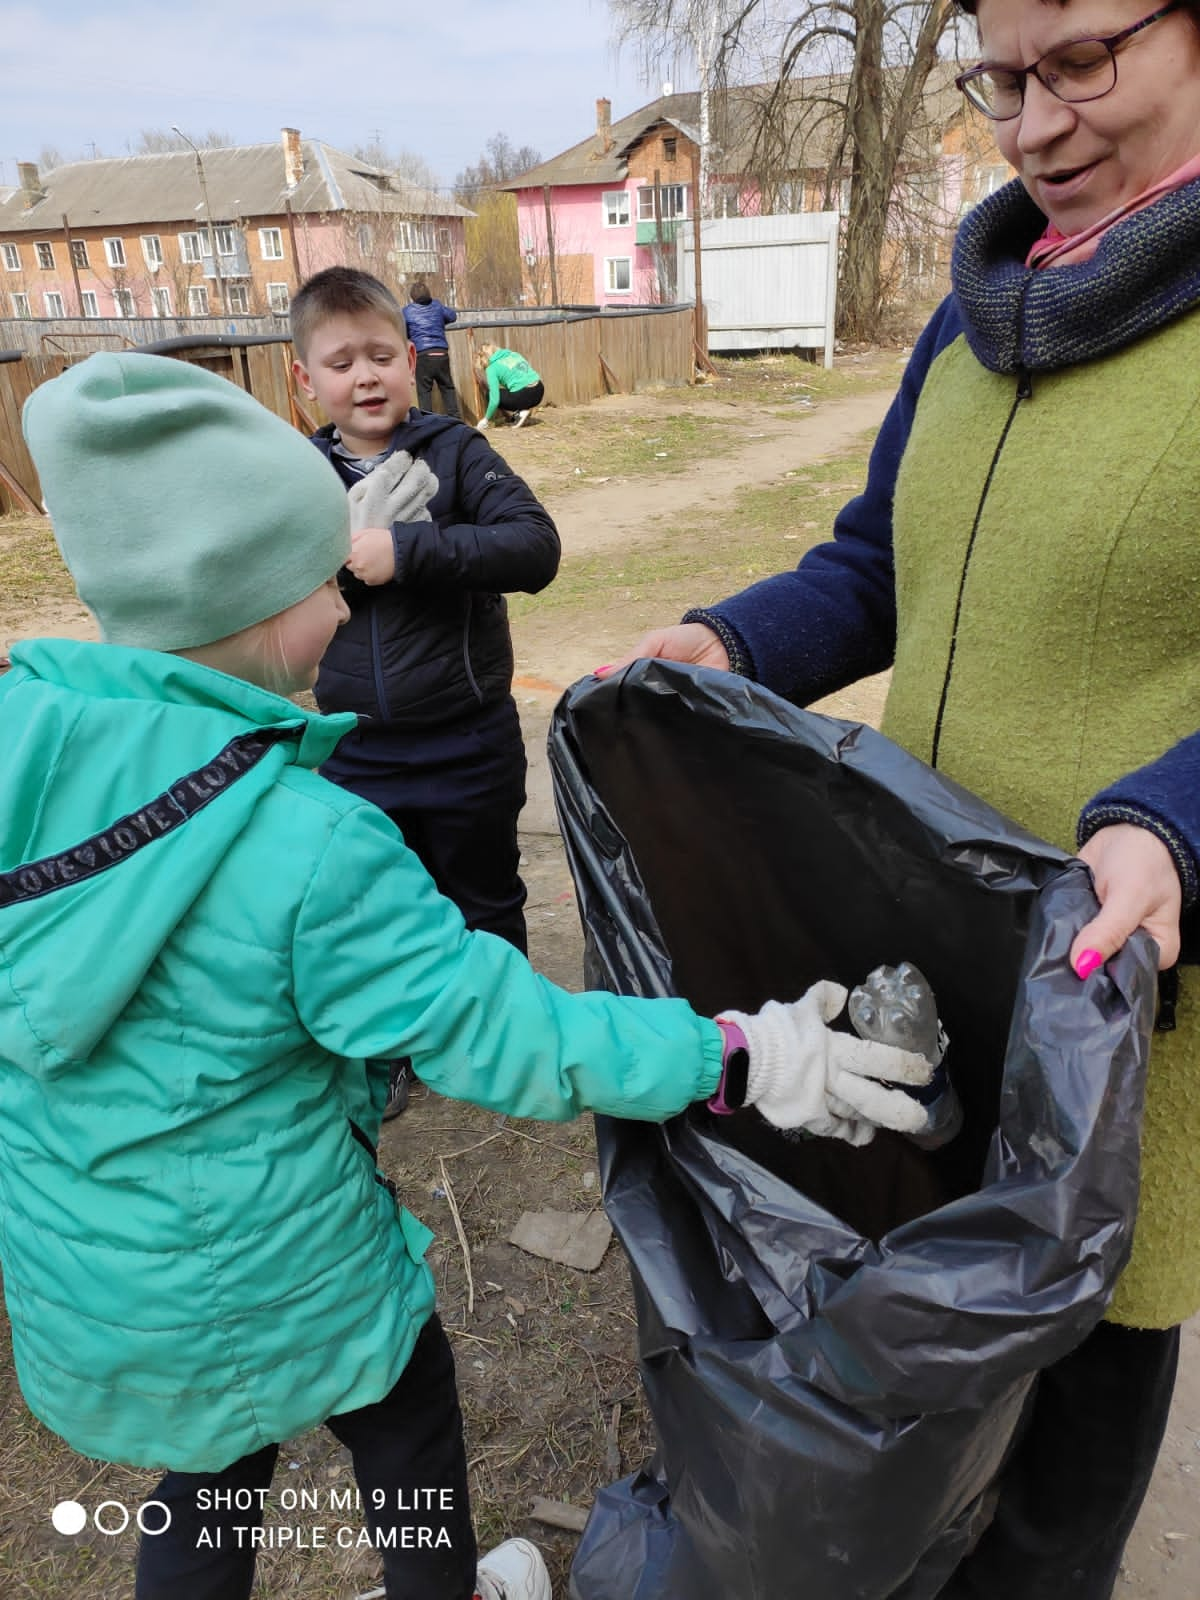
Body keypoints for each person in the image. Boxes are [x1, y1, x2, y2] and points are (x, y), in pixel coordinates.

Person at [3, 351, 930, 1600]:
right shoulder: (310, 847)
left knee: (208, 1478)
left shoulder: (25, 751)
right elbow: (513, 1035)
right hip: (286, 1274)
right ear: (268, 605)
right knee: (407, 1426)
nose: (350, 601)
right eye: (328, 580)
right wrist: (741, 1053)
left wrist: (316, 544)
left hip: (102, 1285)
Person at [606, 2, 1200, 1595]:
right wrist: (727, 642)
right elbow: (877, 567)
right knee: (928, 1363)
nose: (1032, 125)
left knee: (1070, 1434)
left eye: (1082, 61)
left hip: (1122, 988)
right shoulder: (981, 310)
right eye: (1002, 78)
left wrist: (1170, 820)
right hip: (930, 949)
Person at [291, 267, 555, 1118]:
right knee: (378, 909)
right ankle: (403, 1045)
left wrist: (410, 550)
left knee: (483, 896)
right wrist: (343, 565)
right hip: (355, 754)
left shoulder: (457, 451)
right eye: (340, 363)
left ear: (412, 361)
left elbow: (533, 549)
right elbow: (272, 599)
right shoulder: (292, 483)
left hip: (468, 740)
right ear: (305, 381)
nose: (364, 376)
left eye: (379, 356)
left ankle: (506, 1040)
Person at [403, 280, 460, 419]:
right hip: (441, 352)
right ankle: (456, 421)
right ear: (428, 294)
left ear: (412, 296)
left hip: (422, 354)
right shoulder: (437, 306)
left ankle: (426, 423)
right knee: (447, 388)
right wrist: (439, 321)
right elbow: (452, 316)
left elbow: (402, 329)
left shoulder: (407, 311)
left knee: (424, 392)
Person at [475, 342, 545, 429]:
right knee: (513, 390)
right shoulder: (513, 354)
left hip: (525, 395)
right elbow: (525, 372)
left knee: (490, 395)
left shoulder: (491, 368)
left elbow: (494, 400)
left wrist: (485, 420)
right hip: (539, 389)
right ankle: (522, 411)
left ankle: (522, 412)